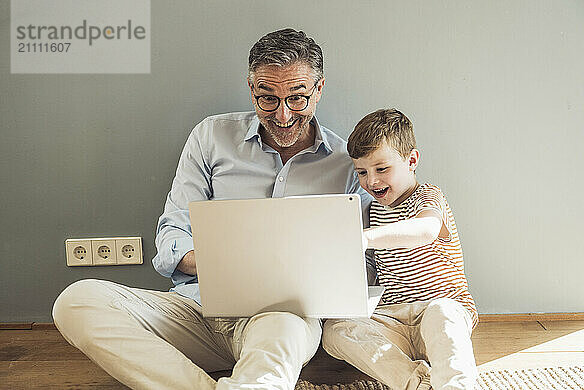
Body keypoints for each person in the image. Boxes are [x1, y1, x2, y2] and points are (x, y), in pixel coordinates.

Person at [52, 28, 371, 390]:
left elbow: (361, 259)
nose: (282, 115)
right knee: (77, 301)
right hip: (196, 311)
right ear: (251, 90)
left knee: (284, 327)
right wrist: (227, 266)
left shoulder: (349, 164)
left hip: (280, 319)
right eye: (267, 98)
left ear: (319, 89)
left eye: (297, 99)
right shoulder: (211, 136)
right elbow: (172, 235)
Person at [322, 109, 478, 390]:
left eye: (382, 169)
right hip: (393, 318)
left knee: (442, 314)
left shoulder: (427, 196)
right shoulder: (372, 212)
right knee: (335, 330)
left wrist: (366, 237)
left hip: (438, 310)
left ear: (412, 161)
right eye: (362, 172)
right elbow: (369, 270)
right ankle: (416, 383)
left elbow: (425, 230)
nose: (371, 181)